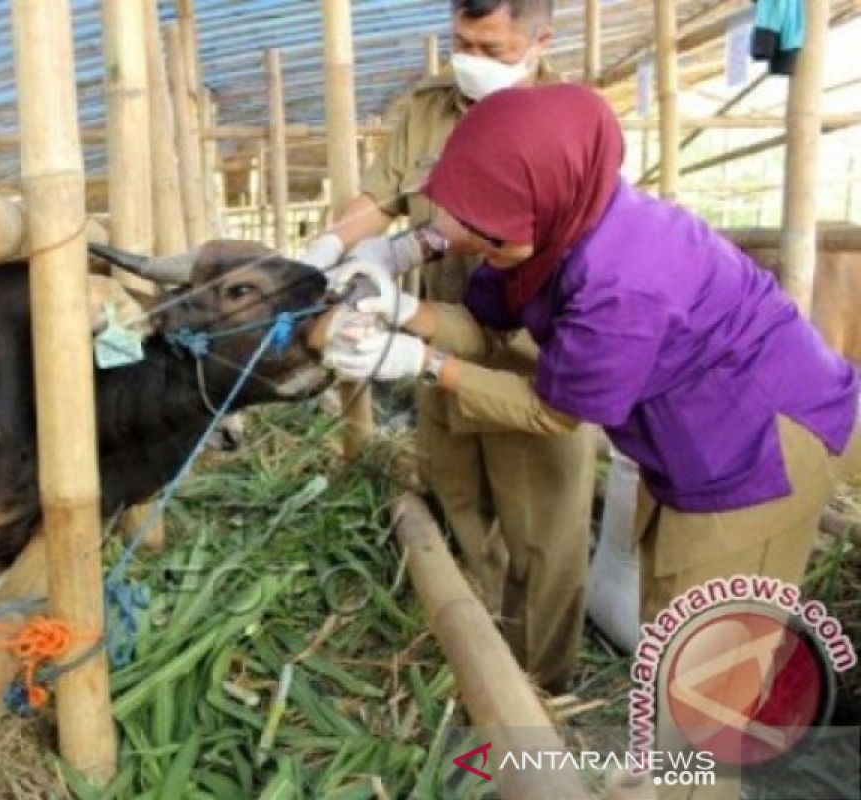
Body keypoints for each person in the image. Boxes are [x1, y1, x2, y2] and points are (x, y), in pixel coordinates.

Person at [322, 83, 860, 799]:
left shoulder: (621, 281)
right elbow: (487, 329)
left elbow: (555, 413)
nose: (472, 242)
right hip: (691, 445)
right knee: (669, 635)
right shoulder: (554, 227)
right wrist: (405, 310)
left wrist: (422, 364)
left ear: (542, 206)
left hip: (758, 453)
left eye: (487, 231)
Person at [303, 0, 593, 693]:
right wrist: (328, 249)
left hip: (528, 353)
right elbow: (380, 198)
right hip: (436, 324)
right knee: (459, 502)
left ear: (539, 39)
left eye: (492, 48)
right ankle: (477, 661)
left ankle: (543, 695)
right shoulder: (427, 107)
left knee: (544, 537)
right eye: (462, 40)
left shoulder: (570, 117)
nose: (470, 59)